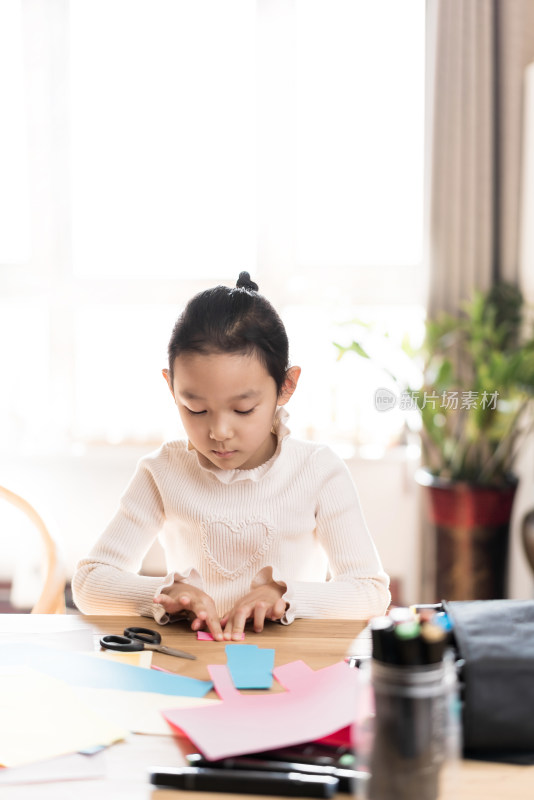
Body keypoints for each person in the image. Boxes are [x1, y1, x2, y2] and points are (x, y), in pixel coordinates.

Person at [72, 272, 390, 641]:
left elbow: (371, 592)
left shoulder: (318, 471)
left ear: (285, 386)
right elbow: (89, 583)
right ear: (171, 386)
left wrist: (286, 597)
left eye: (243, 410)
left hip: (289, 668)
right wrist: (163, 594)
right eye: (194, 408)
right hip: (192, 662)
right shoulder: (162, 472)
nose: (219, 432)